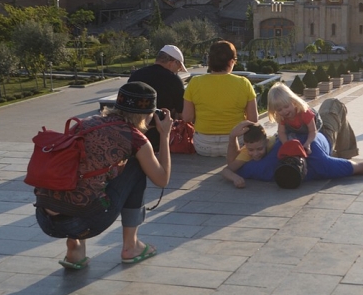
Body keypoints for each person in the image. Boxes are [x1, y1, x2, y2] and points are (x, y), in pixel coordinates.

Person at [34, 82, 173, 270]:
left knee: (84, 174)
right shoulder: (135, 139)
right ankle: (131, 246)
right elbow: (162, 179)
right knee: (135, 166)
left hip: (45, 217)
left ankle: (75, 248)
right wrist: (164, 135)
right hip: (84, 223)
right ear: (148, 114)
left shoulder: (84, 124)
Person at [221, 120, 363, 189]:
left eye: (257, 149)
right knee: (335, 107)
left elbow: (231, 168)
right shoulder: (323, 165)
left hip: (308, 131)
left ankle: (343, 152)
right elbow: (360, 167)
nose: (255, 153)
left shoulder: (265, 168)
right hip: (321, 133)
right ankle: (344, 151)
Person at [182, 40, 258, 157]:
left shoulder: (195, 82)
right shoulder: (243, 83)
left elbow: (187, 117)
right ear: (232, 61)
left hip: (203, 145)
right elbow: (253, 119)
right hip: (235, 144)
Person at [128, 45, 188, 150]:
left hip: (132, 133)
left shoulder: (136, 75)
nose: (177, 72)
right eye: (178, 68)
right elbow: (183, 112)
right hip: (159, 136)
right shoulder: (173, 80)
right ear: (172, 62)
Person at [267, 82, 320, 155]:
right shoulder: (281, 116)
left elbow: (313, 131)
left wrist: (308, 143)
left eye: (286, 107)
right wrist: (286, 144)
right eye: (279, 110)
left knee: (317, 140)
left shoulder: (305, 113)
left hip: (312, 126)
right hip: (294, 130)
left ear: (293, 102)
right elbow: (281, 132)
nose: (284, 111)